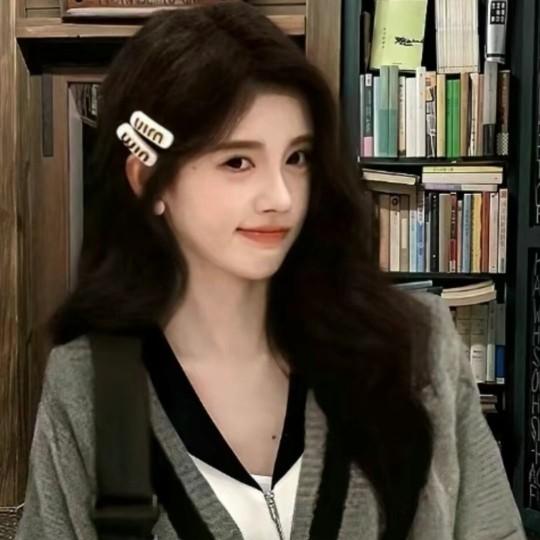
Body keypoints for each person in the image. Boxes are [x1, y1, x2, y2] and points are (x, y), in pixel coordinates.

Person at [15, 2, 526, 539]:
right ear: (148, 181)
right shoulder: (89, 385)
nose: (280, 197)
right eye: (237, 162)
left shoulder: (417, 348)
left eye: (296, 158)